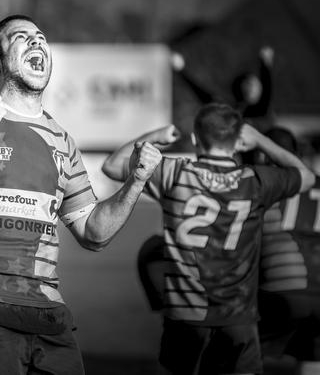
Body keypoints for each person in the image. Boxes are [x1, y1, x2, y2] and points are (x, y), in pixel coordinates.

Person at [0, 14, 162, 375]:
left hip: (49, 315)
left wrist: (136, 181)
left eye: (40, 37)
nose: (36, 42)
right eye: (21, 37)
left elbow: (94, 232)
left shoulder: (62, 140)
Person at [102, 103, 315, 375]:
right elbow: (306, 177)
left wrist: (154, 136)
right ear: (239, 141)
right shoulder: (255, 180)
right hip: (237, 317)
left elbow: (112, 166)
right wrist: (261, 139)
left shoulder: (174, 173)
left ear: (194, 139)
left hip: (185, 316)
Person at [257, 127, 320, 375]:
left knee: (235, 348)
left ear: (262, 156)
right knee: (313, 358)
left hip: (283, 291)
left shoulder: (264, 188)